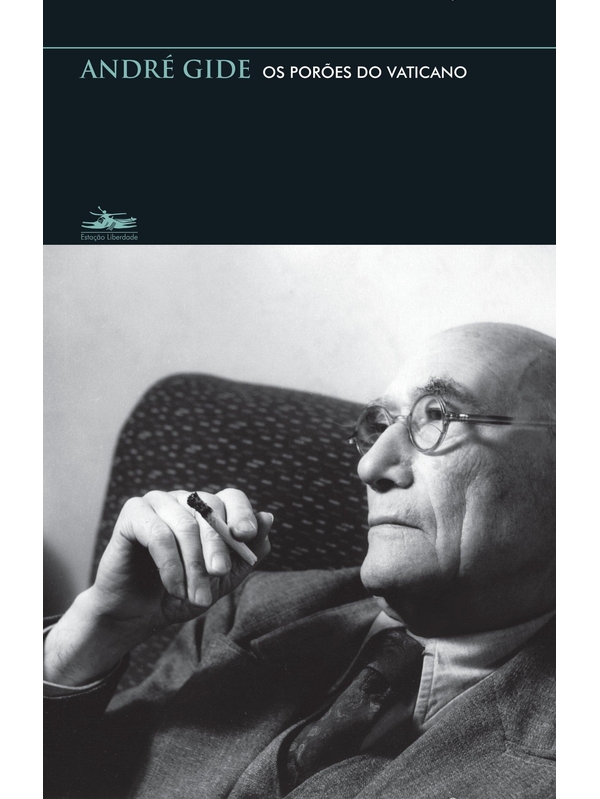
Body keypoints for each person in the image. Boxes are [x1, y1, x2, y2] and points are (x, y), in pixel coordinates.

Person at [44, 322, 556, 798]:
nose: (370, 465)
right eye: (378, 426)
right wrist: (99, 629)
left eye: (437, 417)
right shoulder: (246, 611)